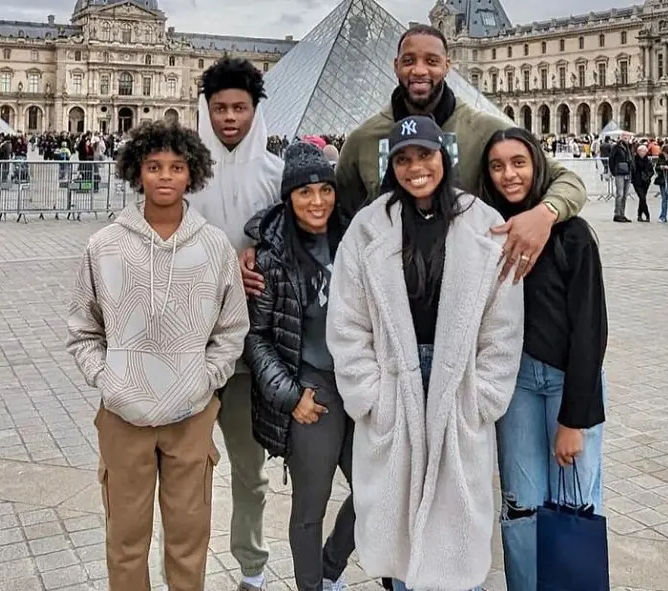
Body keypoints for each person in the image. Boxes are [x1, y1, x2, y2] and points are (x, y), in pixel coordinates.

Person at [326, 115, 523, 591]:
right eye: (404, 158)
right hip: (395, 383)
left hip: (461, 384)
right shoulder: (368, 227)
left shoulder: (485, 223)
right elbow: (348, 323)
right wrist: (369, 395)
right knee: (398, 519)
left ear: (444, 157)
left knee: (458, 520)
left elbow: (504, 324)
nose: (416, 167)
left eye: (425, 155)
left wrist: (486, 396)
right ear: (392, 166)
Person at [65, 120, 249, 591]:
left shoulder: (214, 248)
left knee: (189, 540)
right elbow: (83, 329)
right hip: (123, 414)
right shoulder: (103, 247)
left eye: (176, 167)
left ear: (193, 175)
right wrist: (107, 378)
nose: (165, 176)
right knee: (125, 540)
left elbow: (232, 329)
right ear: (137, 173)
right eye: (154, 166)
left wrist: (205, 380)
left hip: (191, 414)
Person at [334, 23, 586, 284]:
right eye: (409, 61)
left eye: (431, 61)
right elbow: (343, 212)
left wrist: (544, 214)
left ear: (447, 65)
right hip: (389, 287)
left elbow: (568, 181)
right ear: (396, 65)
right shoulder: (362, 140)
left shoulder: (485, 129)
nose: (419, 70)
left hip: (468, 286)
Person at [479, 126, 608, 591]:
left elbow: (591, 332)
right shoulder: (486, 232)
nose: (508, 174)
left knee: (574, 502)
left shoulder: (573, 235)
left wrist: (574, 420)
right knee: (521, 503)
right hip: (513, 385)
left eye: (518, 163)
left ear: (537, 167)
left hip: (566, 381)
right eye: (497, 166)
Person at [187, 56, 282, 591]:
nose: (229, 117)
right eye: (219, 107)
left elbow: (293, 251)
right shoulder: (181, 171)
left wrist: (260, 261)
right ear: (206, 108)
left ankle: (252, 566)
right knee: (185, 472)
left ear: (254, 110)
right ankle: (187, 569)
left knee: (250, 470)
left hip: (250, 351)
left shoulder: (275, 175)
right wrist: (227, 265)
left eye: (239, 107)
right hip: (190, 350)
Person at [243, 142, 355, 591]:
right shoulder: (270, 258)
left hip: (359, 385)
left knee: (376, 493)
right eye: (305, 192)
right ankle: (311, 586)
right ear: (288, 197)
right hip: (312, 389)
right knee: (311, 505)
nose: (317, 201)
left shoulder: (353, 239)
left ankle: (330, 568)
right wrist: (290, 396)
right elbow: (257, 337)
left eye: (325, 189)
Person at [607, 135, 633, 223]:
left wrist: (632, 170)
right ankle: (617, 214)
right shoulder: (616, 147)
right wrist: (613, 171)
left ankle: (622, 214)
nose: (626, 139)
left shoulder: (630, 147)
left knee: (625, 195)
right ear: (621, 138)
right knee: (620, 194)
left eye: (628, 138)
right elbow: (611, 159)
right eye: (625, 137)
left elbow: (631, 160)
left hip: (628, 173)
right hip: (619, 173)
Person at [631, 143, 654, 222]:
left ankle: (639, 215)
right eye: (641, 151)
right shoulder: (634, 159)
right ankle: (647, 214)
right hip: (637, 181)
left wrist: (648, 176)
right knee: (642, 197)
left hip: (646, 182)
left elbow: (652, 171)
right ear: (638, 151)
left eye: (644, 151)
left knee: (642, 199)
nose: (642, 153)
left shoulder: (648, 160)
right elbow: (632, 170)